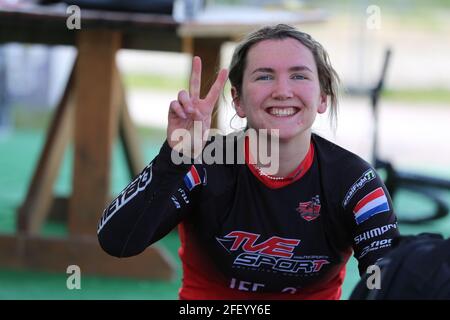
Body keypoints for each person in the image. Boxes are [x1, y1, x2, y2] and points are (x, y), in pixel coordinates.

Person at [97, 24, 400, 300]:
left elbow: (388, 283)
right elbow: (117, 241)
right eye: (264, 76)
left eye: (299, 75)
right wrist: (175, 158)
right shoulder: (202, 163)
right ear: (238, 100)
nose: (282, 91)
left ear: (322, 98)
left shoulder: (355, 184)